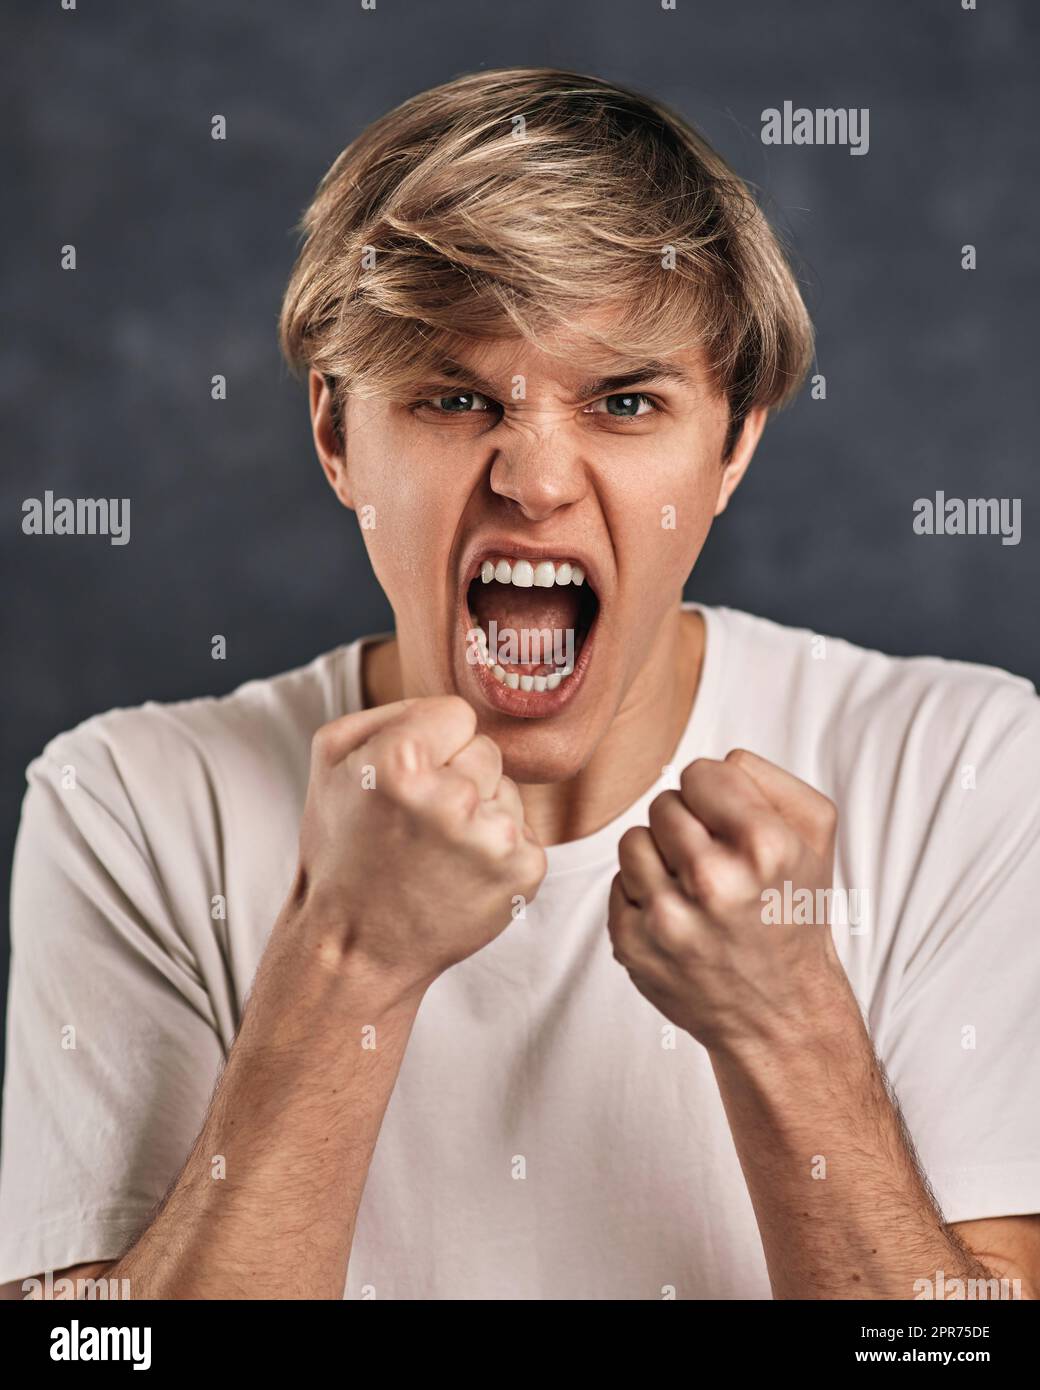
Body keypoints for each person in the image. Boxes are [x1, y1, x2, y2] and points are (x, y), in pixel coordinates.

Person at [2, 68, 1038, 1302]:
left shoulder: (960, 766)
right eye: (452, 396)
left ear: (733, 442)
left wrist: (786, 1026)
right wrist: (346, 967)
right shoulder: (126, 799)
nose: (535, 481)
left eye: (624, 401)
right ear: (337, 436)